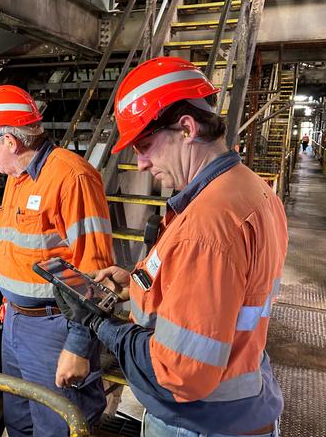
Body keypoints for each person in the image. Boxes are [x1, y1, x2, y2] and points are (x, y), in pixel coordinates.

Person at [54, 57, 287, 437]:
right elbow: (222, 293)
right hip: (240, 403)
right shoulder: (252, 190)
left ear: (186, 128)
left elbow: (179, 371)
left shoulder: (206, 226)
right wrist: (135, 283)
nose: (141, 163)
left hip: (202, 422)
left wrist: (100, 324)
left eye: (145, 145)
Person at [0, 85, 114, 436]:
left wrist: (79, 346)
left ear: (10, 141)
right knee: (19, 423)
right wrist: (10, 305)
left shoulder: (72, 177)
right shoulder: (17, 179)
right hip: (16, 322)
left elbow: (97, 273)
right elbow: (21, 251)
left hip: (55, 329)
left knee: (59, 426)